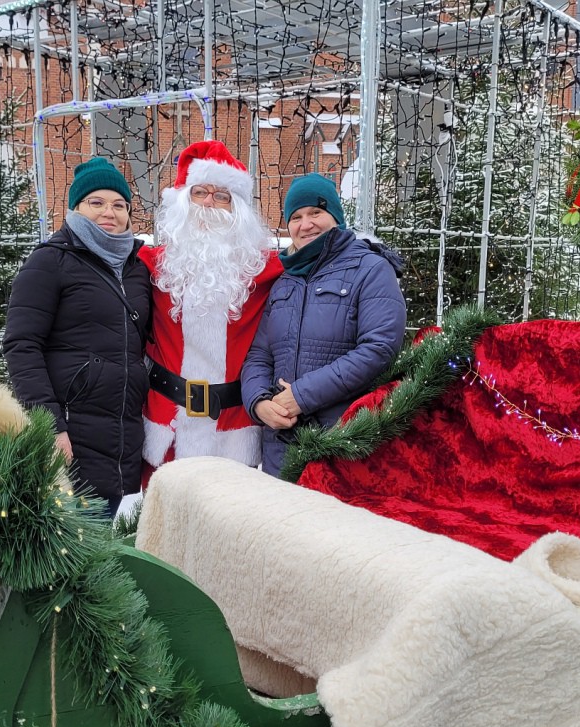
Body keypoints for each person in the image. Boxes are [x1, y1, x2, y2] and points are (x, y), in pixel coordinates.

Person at [2, 156, 152, 518]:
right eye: (96, 202)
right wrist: (49, 424)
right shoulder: (50, 262)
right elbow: (21, 345)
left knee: (110, 549)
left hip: (124, 437)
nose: (109, 213)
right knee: (74, 551)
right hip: (72, 435)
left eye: (119, 205)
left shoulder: (136, 268)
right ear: (76, 208)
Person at [241, 173, 407, 477]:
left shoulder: (370, 269)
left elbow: (379, 348)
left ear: (336, 216)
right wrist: (259, 403)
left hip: (342, 442)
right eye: (297, 216)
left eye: (316, 212)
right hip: (281, 447)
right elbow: (259, 355)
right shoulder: (284, 280)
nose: (306, 224)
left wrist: (301, 396)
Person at [138, 141, 282, 472]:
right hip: (166, 426)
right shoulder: (149, 264)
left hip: (234, 429)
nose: (209, 204)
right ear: (182, 202)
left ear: (238, 210)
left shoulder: (268, 269)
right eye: (200, 192)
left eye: (222, 196)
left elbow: (324, 262)